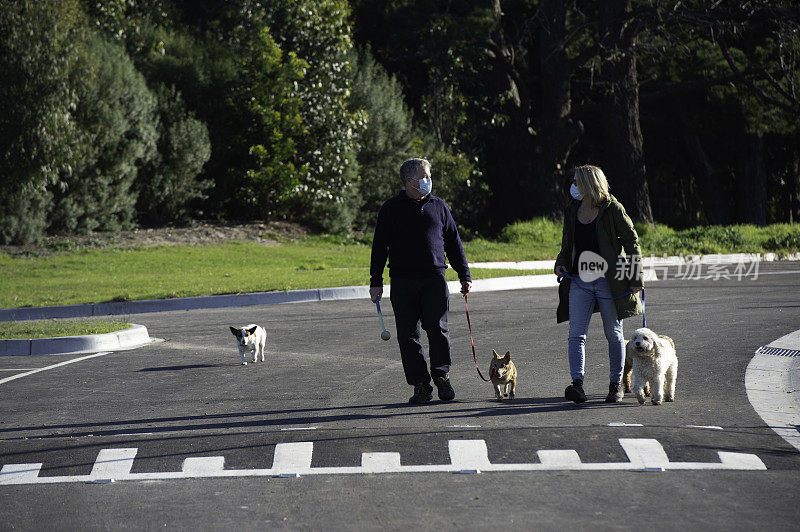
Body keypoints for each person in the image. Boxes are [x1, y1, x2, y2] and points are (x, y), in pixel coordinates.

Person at [370, 158, 472, 404]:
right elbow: (379, 247)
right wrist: (376, 281)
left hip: (434, 279)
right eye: (424, 176)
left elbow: (454, 242)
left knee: (437, 329)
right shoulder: (391, 208)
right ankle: (420, 385)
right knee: (408, 335)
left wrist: (464, 274)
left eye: (429, 176)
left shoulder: (439, 206)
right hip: (403, 282)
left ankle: (441, 376)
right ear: (409, 181)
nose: (428, 180)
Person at [554, 165, 644, 404]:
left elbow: (632, 241)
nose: (573, 186)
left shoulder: (612, 208)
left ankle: (616, 385)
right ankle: (577, 385)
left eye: (576, 181)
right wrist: (561, 263)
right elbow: (567, 243)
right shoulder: (573, 208)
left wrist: (635, 277)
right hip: (579, 280)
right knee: (576, 334)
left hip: (608, 281)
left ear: (588, 184)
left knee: (614, 334)